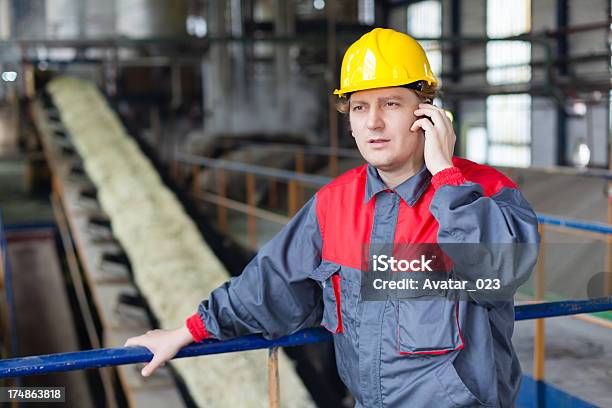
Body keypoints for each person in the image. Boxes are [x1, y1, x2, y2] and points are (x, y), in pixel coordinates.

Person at [125, 27, 540, 407]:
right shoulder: (333, 205)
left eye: (391, 103)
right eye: (359, 107)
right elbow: (271, 283)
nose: (374, 122)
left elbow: (498, 272)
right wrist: (188, 331)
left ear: (427, 112)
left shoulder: (485, 193)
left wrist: (446, 176)